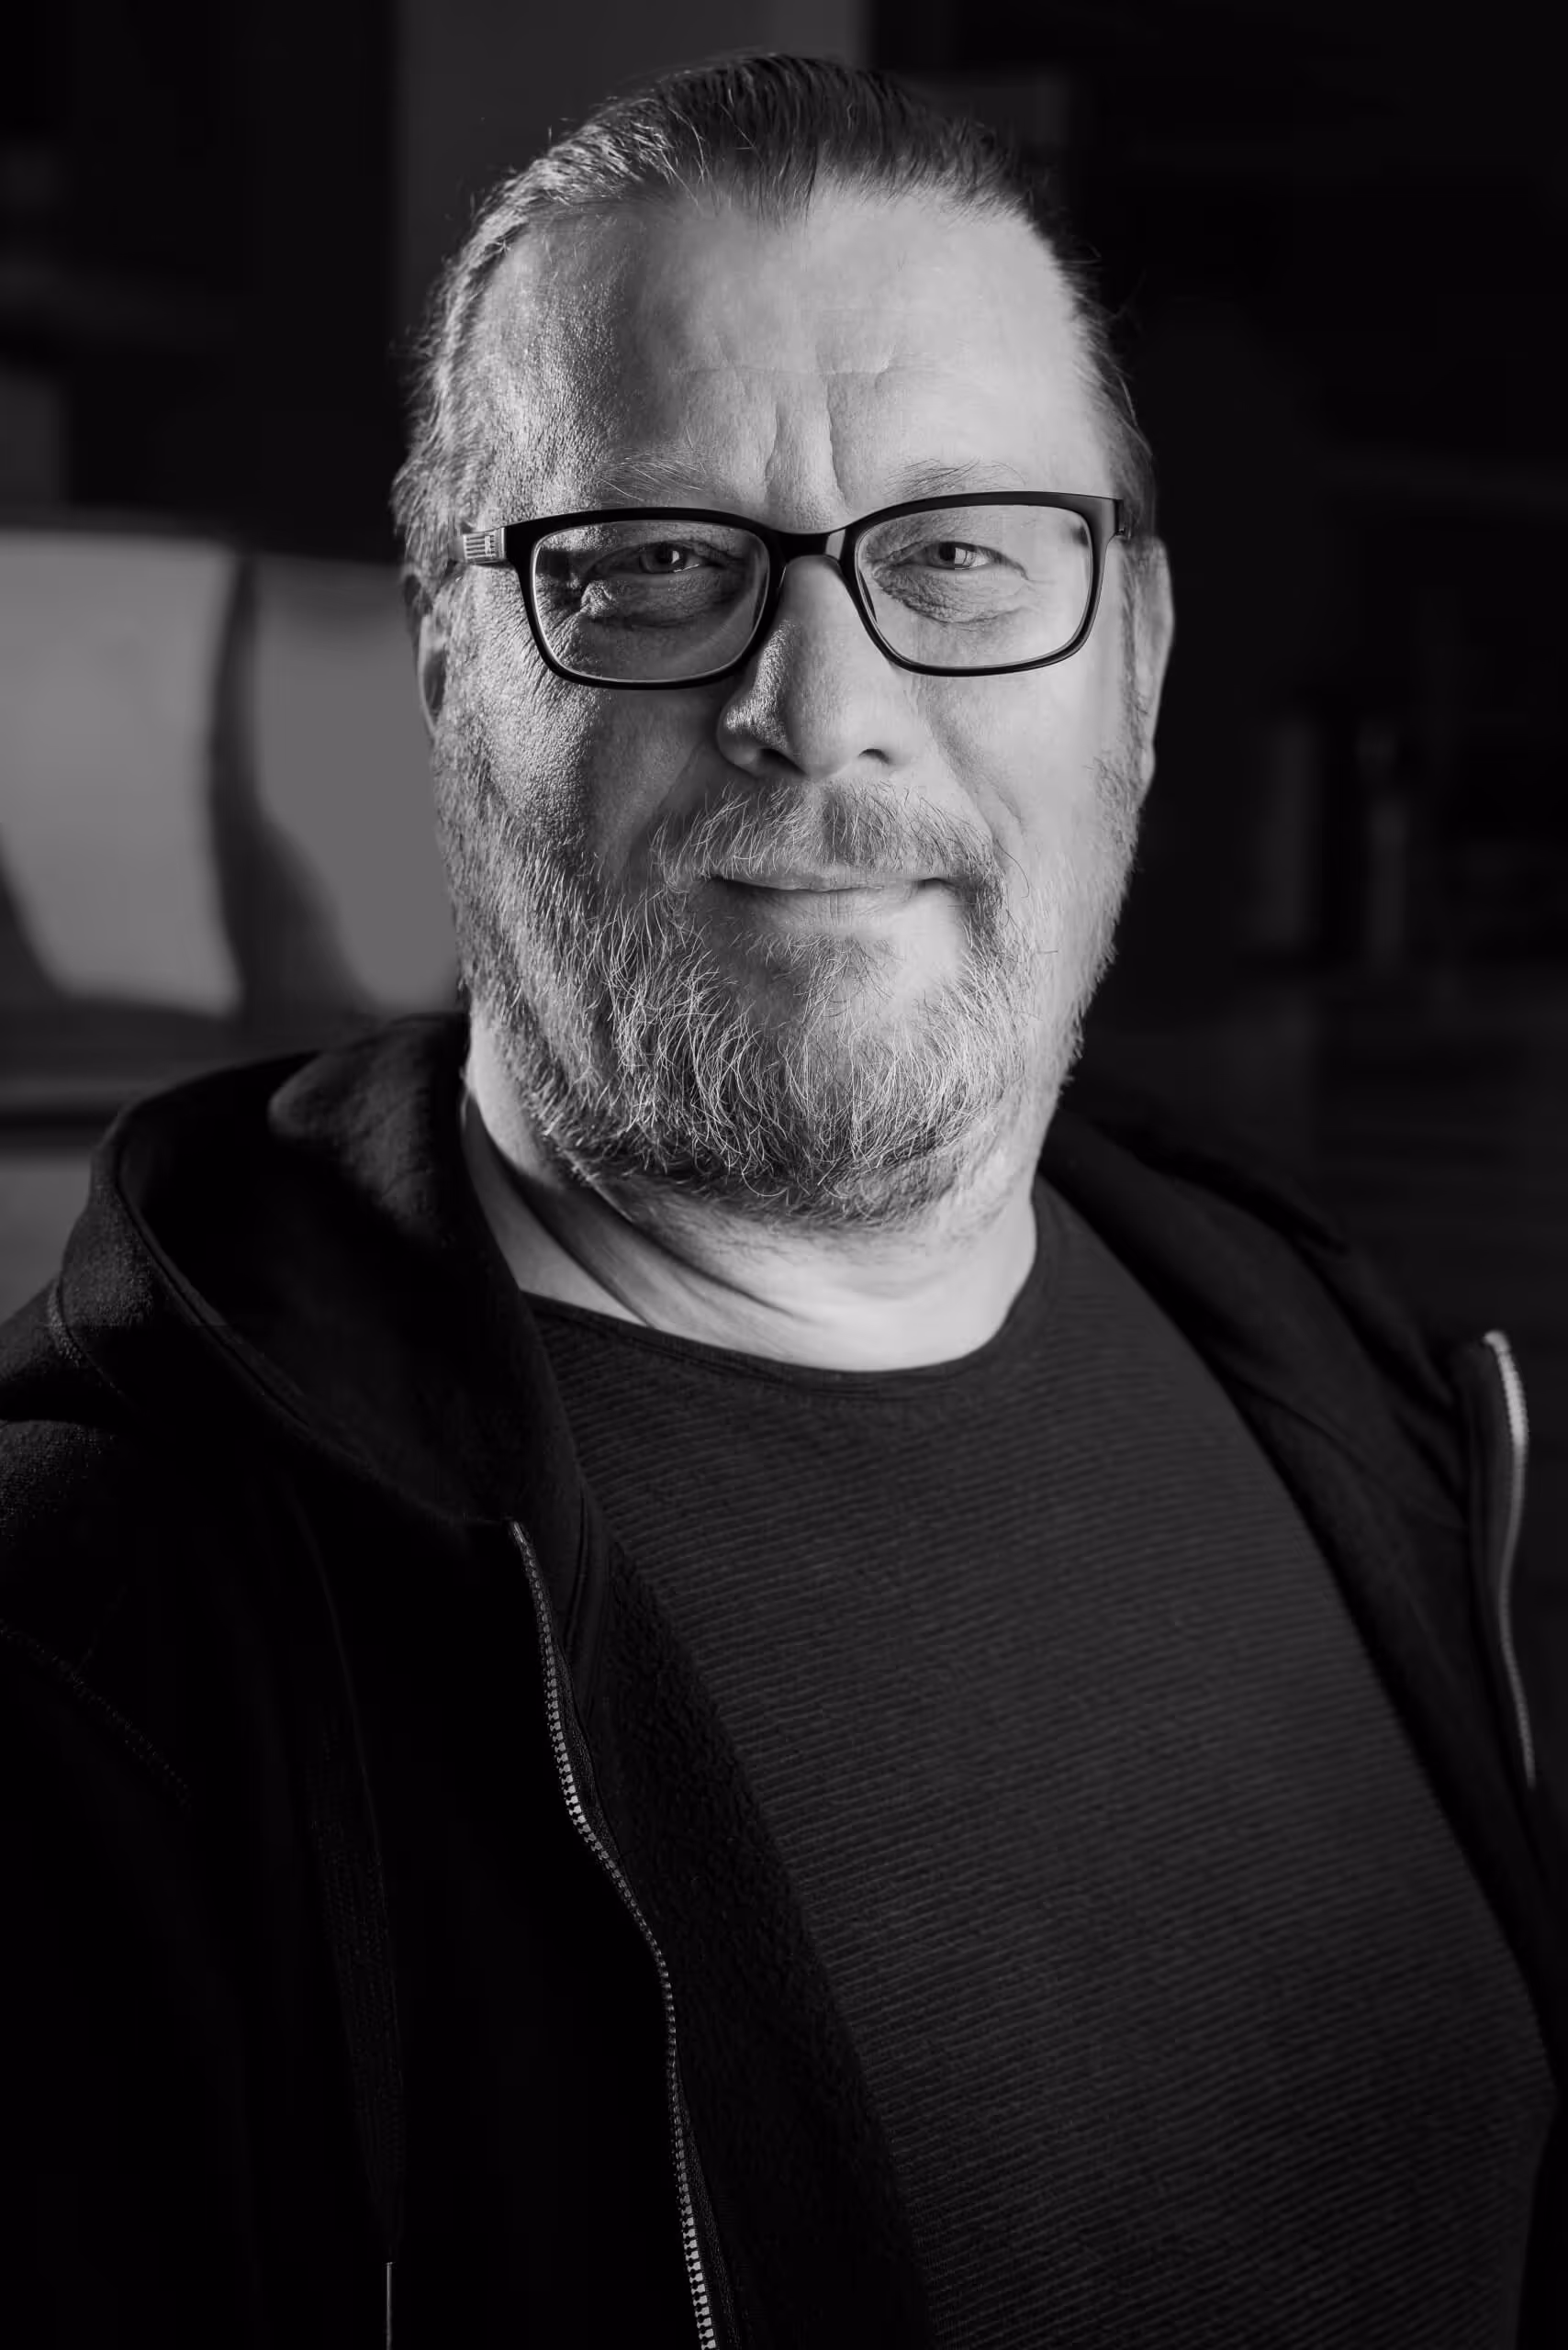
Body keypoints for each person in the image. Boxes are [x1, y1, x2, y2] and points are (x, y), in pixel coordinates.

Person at [1, 51, 1563, 2350]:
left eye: (952, 554)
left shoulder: (1330, 1370)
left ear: (1128, 668)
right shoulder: (101, 1665)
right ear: (450, 674)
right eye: (649, 563)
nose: (815, 708)